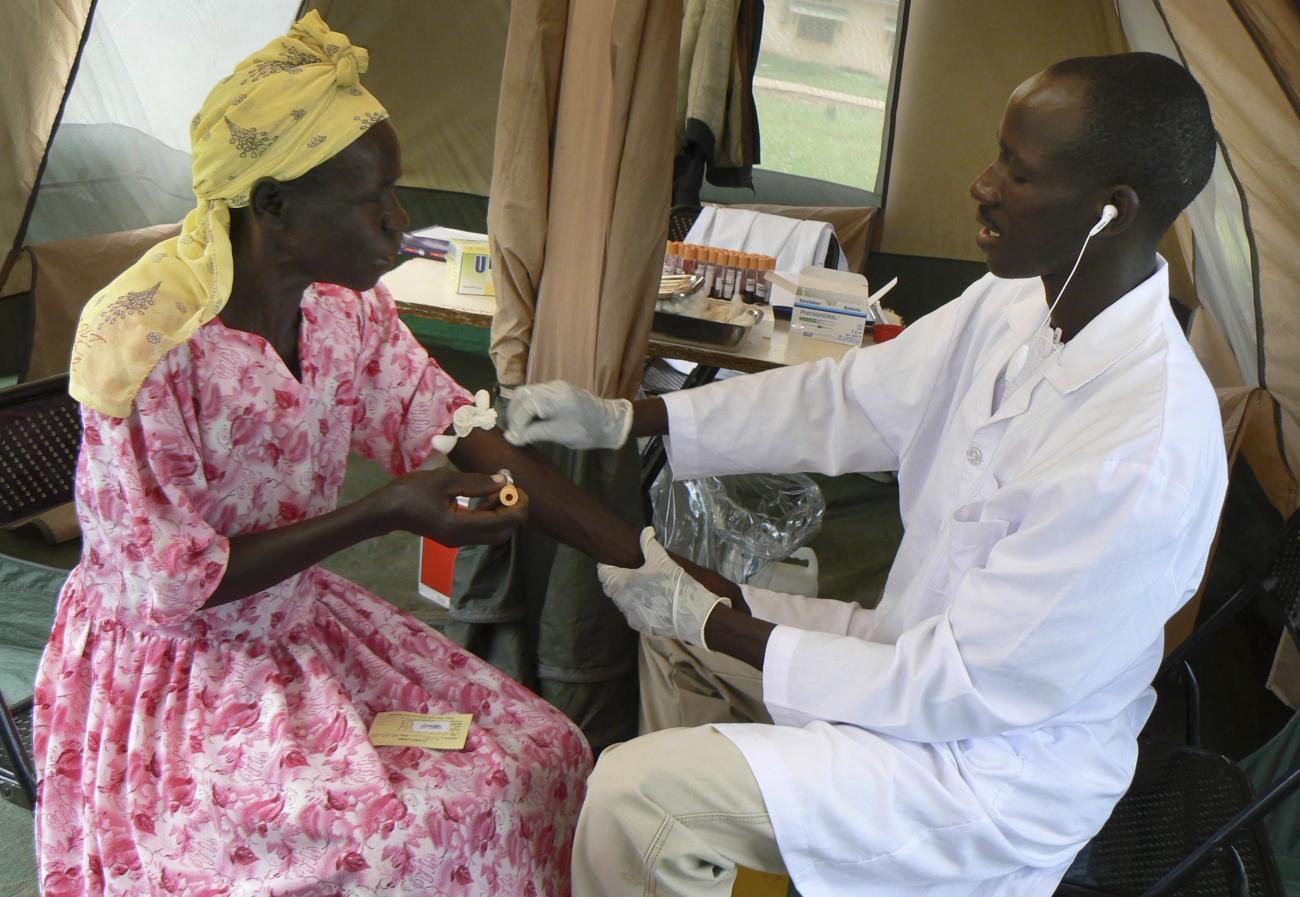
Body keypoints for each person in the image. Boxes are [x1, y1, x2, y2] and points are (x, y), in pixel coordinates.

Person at [505, 53, 1228, 896]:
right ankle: (724, 851)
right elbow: (852, 399)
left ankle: (690, 825)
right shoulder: (1021, 301)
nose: (981, 185)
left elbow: (960, 689)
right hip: (907, 658)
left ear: (1110, 212)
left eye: (1017, 172)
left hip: (987, 770)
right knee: (678, 649)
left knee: (637, 798)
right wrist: (631, 418)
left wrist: (721, 619)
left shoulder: (1140, 447)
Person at [33, 13, 651, 897]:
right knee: (403, 838)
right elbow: (170, 585)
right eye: (376, 199)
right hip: (181, 673)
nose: (400, 224)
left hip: (296, 625)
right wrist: (386, 508)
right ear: (274, 205)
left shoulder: (340, 311)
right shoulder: (148, 348)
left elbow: (459, 431)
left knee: (542, 752)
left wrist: (648, 565)